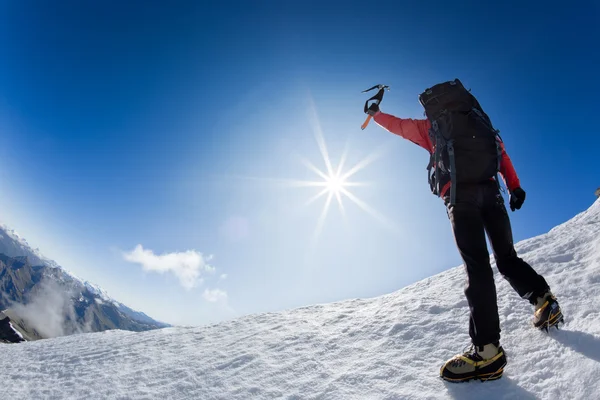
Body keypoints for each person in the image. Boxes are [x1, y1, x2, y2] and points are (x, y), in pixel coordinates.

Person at [366, 79, 563, 383]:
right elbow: (502, 153)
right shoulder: (479, 123)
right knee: (507, 257)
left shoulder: (431, 128)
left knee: (477, 265)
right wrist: (514, 187)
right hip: (492, 193)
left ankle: (487, 352)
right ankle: (543, 300)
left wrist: (376, 114)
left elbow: (398, 126)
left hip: (460, 196)